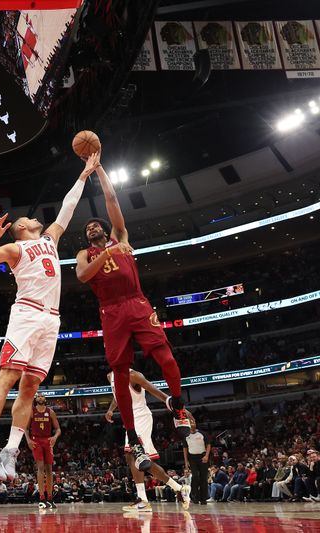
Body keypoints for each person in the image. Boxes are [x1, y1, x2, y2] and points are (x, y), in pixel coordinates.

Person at [0, 153, 101, 481]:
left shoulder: (50, 240)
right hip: (27, 313)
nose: (34, 218)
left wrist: (84, 176)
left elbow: (67, 210)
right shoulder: (16, 248)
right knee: (9, 374)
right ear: (21, 229)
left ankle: (10, 451)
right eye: (28, 219)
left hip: (51, 319)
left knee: (30, 386)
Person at [76, 156, 190, 471]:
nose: (92, 227)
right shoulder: (87, 254)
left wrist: (99, 168)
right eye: (88, 228)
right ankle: (133, 440)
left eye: (95, 224)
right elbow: (84, 276)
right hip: (111, 312)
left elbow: (112, 199)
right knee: (121, 378)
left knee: (165, 356)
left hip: (137, 303)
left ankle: (177, 407)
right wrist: (110, 252)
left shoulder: (120, 237)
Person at [105, 369, 189, 512]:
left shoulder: (134, 375)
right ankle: (179, 488)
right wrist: (111, 409)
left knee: (132, 454)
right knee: (144, 462)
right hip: (130, 421)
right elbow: (118, 396)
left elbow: (155, 391)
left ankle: (143, 500)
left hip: (141, 417)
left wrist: (173, 404)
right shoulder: (110, 376)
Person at [25, 393, 61, 509]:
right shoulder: (31, 411)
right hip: (36, 441)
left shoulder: (50, 412)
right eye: (38, 396)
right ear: (35, 399)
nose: (40, 397)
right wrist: (28, 440)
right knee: (40, 467)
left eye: (42, 396)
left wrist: (55, 437)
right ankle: (41, 497)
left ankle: (50, 498)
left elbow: (58, 429)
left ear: (45, 399)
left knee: (50, 469)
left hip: (47, 440)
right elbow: (25, 428)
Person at [182, 415, 211, 505]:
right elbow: (185, 449)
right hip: (192, 458)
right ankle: (195, 497)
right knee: (195, 477)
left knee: (203, 478)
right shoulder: (186, 435)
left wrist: (206, 456)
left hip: (202, 457)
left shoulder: (202, 433)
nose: (192, 423)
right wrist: (186, 462)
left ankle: (203, 499)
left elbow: (208, 445)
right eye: (190, 422)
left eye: (193, 422)